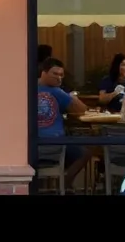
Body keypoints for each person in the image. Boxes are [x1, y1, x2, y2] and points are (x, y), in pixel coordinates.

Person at [36, 57, 88, 190]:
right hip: (55, 147)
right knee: (85, 153)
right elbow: (82, 109)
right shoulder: (57, 92)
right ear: (44, 72)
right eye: (55, 74)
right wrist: (72, 96)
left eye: (61, 75)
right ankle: (65, 184)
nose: (59, 78)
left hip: (31, 149)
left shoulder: (27, 88)